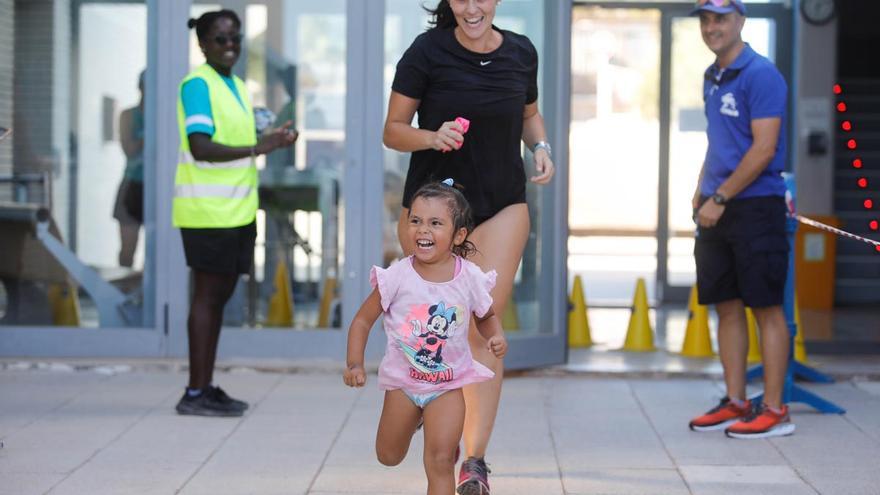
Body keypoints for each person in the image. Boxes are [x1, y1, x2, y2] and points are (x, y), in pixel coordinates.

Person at [383, 1, 555, 492]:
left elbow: (530, 115)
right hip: (437, 210)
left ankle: (473, 461)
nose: (472, 6)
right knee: (435, 325)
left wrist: (540, 147)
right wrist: (433, 137)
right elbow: (392, 131)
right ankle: (430, 408)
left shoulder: (521, 52)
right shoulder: (427, 51)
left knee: (481, 322)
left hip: (502, 205)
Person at [344, 180, 508, 495]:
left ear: (458, 235)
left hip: (447, 387)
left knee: (441, 460)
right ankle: (415, 421)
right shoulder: (397, 277)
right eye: (416, 221)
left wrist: (495, 335)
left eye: (435, 223)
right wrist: (355, 363)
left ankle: (434, 427)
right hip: (404, 385)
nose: (423, 230)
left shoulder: (469, 278)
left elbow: (485, 316)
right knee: (388, 455)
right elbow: (363, 321)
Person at [173, 9, 297, 417]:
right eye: (220, 39)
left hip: (235, 211)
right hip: (207, 212)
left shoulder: (237, 86)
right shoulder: (197, 86)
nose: (229, 46)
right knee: (207, 298)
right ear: (203, 43)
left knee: (219, 298)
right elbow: (200, 146)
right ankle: (194, 393)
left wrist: (271, 140)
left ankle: (204, 386)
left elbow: (239, 142)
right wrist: (257, 149)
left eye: (235, 38)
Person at [687, 0, 795, 439]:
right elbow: (720, 142)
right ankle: (736, 401)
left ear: (741, 20)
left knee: (766, 310)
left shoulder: (761, 74)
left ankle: (774, 409)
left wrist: (720, 196)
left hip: (754, 207)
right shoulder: (712, 76)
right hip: (716, 206)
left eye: (722, 18)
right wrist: (700, 190)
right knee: (725, 306)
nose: (713, 27)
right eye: (707, 19)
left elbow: (763, 148)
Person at [114, 70, 145, 268]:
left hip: (159, 187)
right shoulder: (128, 115)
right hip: (132, 185)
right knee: (127, 250)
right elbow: (129, 150)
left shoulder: (169, 118)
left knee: (158, 249)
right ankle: (125, 292)